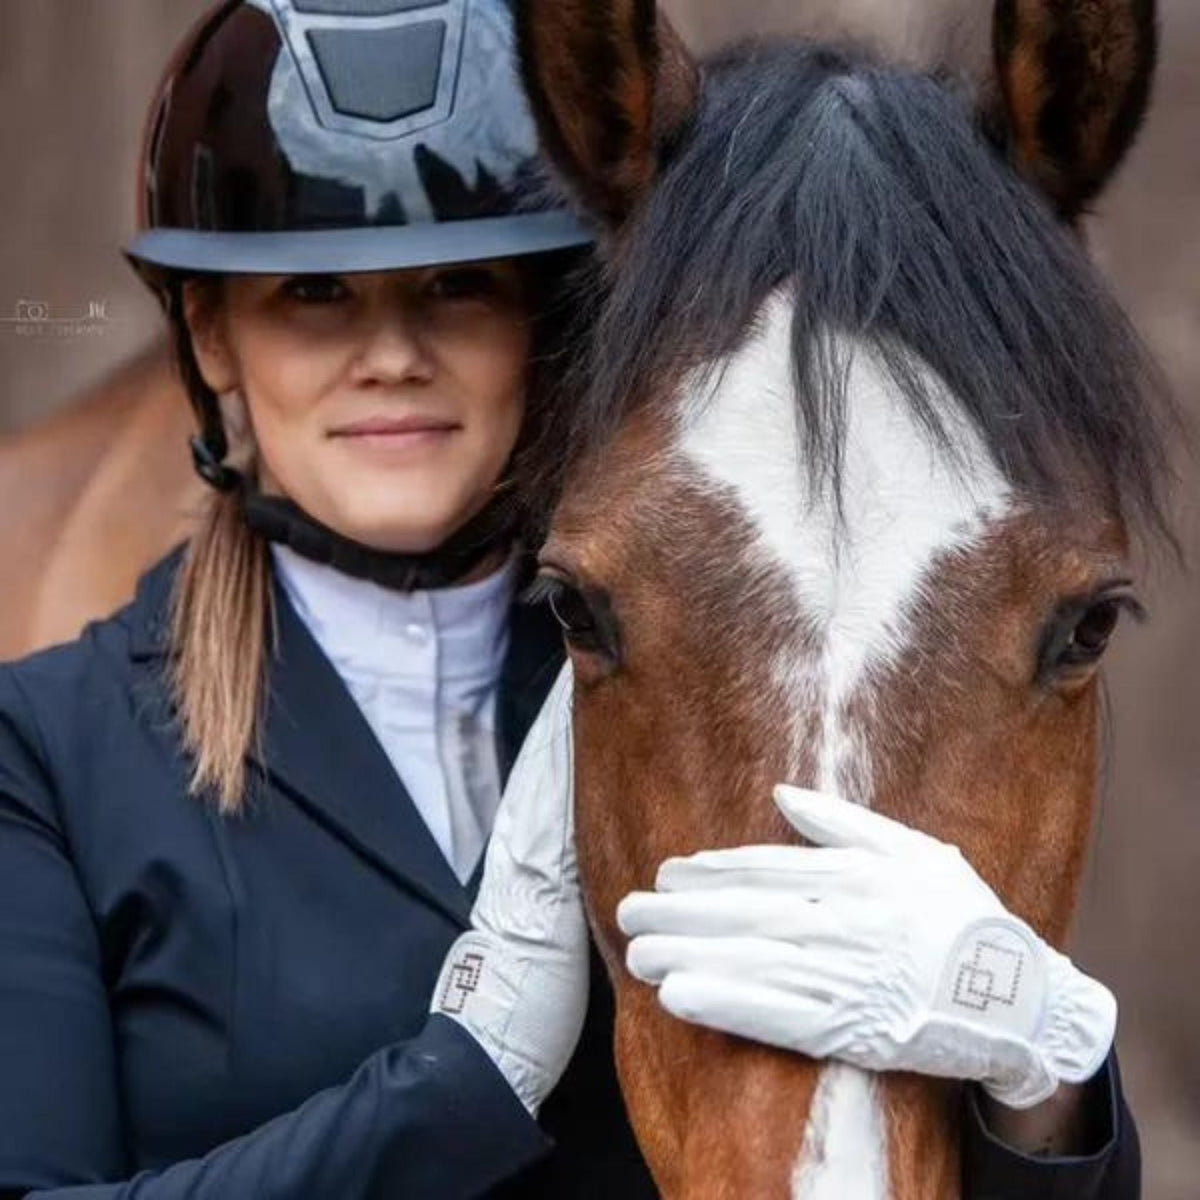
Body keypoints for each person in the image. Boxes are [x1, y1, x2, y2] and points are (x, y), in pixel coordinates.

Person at [0, 2, 1139, 1196]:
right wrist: (463, 1081)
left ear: (546, 325)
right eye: (315, 296)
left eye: (456, 288)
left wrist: (1044, 1076)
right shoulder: (46, 752)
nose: (390, 353)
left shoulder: (699, 668)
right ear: (213, 342)